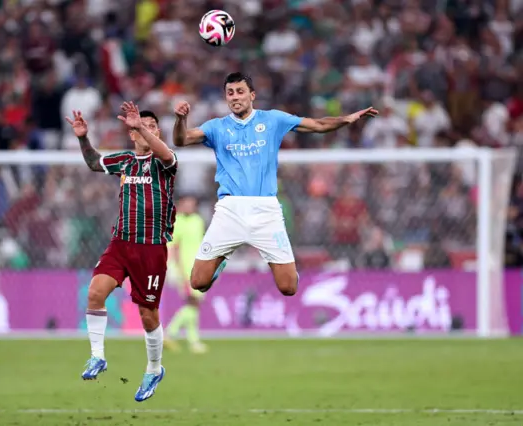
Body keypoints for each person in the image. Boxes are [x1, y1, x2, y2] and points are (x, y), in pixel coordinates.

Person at [172, 72, 377, 296]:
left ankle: (284, 267)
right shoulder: (217, 127)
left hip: (266, 211)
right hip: (230, 211)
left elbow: (317, 124)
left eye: (240, 92)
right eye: (230, 93)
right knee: (198, 282)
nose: (234, 97)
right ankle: (220, 262)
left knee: (288, 287)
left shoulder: (273, 120)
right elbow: (181, 140)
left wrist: (347, 119)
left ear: (252, 95)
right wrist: (181, 120)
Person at [66, 102, 177, 402]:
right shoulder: (125, 161)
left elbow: (166, 153)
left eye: (153, 126)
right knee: (94, 293)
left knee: (147, 314)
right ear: (131, 134)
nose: (147, 130)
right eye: (142, 126)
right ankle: (97, 356)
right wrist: (82, 138)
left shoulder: (165, 163)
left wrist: (141, 125)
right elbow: (93, 163)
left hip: (151, 249)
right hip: (120, 244)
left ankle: (154, 369)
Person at [164, 195, 208, 354]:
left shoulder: (198, 221)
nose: (190, 206)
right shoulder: (177, 222)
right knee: (193, 302)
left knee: (193, 304)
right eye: (186, 203)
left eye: (192, 203)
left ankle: (193, 341)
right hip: (185, 268)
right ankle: (170, 333)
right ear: (180, 204)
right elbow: (174, 248)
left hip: (199, 266)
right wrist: (180, 270)